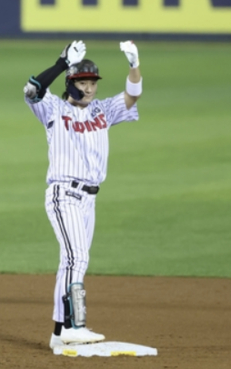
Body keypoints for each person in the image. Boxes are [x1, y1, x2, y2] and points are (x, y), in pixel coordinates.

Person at [23, 40, 142, 349]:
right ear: (70, 84)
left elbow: (131, 98)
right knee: (78, 257)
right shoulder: (53, 107)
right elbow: (31, 90)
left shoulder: (103, 110)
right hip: (64, 194)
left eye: (91, 83)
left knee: (71, 262)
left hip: (90, 199)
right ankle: (77, 325)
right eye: (82, 83)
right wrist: (62, 62)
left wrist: (133, 66)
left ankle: (59, 332)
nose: (89, 89)